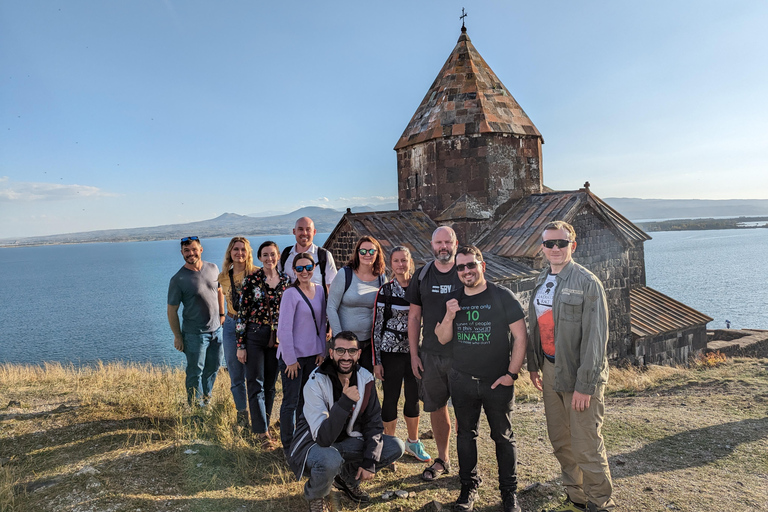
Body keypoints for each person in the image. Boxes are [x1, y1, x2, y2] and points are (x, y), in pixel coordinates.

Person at [527, 221, 615, 512]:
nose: (555, 248)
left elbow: (595, 339)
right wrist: (534, 365)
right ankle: (576, 498)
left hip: (580, 374)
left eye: (561, 243)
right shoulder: (542, 279)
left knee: (586, 443)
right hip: (551, 370)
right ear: (542, 247)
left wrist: (585, 385)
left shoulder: (587, 282)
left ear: (572, 246)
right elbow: (537, 326)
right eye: (549, 243)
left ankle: (600, 502)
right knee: (561, 440)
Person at [435, 246, 527, 512]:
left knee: (503, 437)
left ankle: (509, 494)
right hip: (462, 380)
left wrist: (511, 374)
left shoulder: (502, 296)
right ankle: (468, 487)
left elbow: (520, 336)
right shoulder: (453, 300)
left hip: (496, 381)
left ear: (482, 266)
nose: (466, 271)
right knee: (466, 436)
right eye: (461, 267)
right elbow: (442, 338)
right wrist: (450, 314)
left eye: (471, 265)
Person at [287, 331, 405, 512]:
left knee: (395, 446)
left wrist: (369, 462)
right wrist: (345, 402)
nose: (346, 356)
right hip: (313, 446)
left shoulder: (366, 379)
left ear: (358, 354)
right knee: (330, 459)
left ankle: (348, 480)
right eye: (340, 351)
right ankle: (316, 495)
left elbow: (373, 423)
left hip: (347, 441)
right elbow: (323, 438)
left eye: (351, 351)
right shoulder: (315, 381)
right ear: (331, 352)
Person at [406, 226, 462, 481]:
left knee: (465, 409)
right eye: (438, 242)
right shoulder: (422, 275)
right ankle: (443, 458)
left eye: (447, 242)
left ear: (455, 243)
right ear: (431, 245)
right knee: (437, 408)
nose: (443, 247)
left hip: (464, 353)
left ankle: (467, 463)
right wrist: (414, 354)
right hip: (430, 353)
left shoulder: (466, 271)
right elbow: (414, 316)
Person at [372, 246, 431, 463]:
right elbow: (377, 328)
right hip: (390, 353)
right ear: (390, 264)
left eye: (404, 260)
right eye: (396, 261)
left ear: (410, 262)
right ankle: (389, 447)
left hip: (415, 352)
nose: (400, 265)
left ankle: (413, 442)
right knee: (390, 398)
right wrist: (376, 361)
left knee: (413, 397)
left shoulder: (421, 288)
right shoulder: (385, 291)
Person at [235, 241, 290, 446]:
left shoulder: (286, 280)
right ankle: (261, 433)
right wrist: (241, 345)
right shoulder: (252, 281)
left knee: (270, 385)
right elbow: (242, 314)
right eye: (265, 255)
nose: (269, 259)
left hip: (277, 337)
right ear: (259, 257)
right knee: (255, 383)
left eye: (273, 255)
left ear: (278, 257)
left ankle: (265, 424)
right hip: (255, 335)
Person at [277, 252, 327, 454]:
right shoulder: (290, 294)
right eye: (299, 268)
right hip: (293, 358)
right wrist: (290, 359)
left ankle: (303, 441)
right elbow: (284, 329)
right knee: (291, 402)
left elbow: (323, 323)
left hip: (313, 356)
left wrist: (322, 350)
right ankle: (288, 446)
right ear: (293, 271)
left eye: (308, 267)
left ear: (314, 267)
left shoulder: (321, 290)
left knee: (307, 402)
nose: (304, 272)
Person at [167, 236, 225, 407]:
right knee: (195, 372)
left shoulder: (213, 268)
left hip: (217, 331)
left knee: (213, 368)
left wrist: (222, 314)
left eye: (193, 249)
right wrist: (177, 336)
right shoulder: (178, 279)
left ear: (200, 249)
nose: (190, 253)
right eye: (186, 251)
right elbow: (172, 310)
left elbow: (219, 291)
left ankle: (206, 401)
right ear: (182, 253)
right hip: (195, 334)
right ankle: (195, 408)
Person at [327, 236, 386, 372]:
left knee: (366, 385)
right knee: (345, 385)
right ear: (357, 253)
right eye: (363, 251)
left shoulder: (381, 278)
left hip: (368, 344)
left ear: (377, 254)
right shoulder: (345, 274)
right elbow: (331, 307)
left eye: (372, 251)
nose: (367, 255)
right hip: (346, 344)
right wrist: (340, 340)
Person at [217, 237, 258, 426]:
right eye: (235, 249)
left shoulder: (257, 274)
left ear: (248, 252)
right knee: (235, 374)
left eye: (243, 249)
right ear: (230, 252)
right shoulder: (223, 276)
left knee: (254, 374)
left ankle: (258, 415)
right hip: (231, 326)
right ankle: (242, 416)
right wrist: (221, 314)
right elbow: (220, 294)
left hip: (252, 327)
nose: (239, 253)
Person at [279, 216, 338, 290]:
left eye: (308, 229)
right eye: (300, 229)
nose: (304, 233)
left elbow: (332, 286)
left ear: (314, 232)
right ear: (294, 231)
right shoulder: (285, 254)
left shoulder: (324, 255)